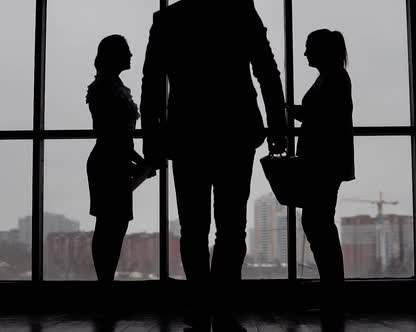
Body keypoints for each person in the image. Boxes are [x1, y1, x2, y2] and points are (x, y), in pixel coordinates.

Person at [140, 0, 287, 327]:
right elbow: (266, 69)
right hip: (235, 130)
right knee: (231, 226)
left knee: (193, 228)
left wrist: (152, 139)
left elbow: (152, 81)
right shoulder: (240, 11)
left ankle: (200, 302)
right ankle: (223, 304)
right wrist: (277, 122)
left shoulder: (169, 19)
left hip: (187, 133)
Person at [286, 29, 355, 312]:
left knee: (318, 224)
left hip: (323, 163)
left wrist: (293, 111)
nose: (304, 53)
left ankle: (333, 293)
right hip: (325, 162)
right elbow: (327, 115)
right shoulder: (333, 76)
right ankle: (332, 291)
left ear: (322, 49)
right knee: (320, 223)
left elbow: (324, 117)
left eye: (308, 48)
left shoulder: (334, 77)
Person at [86, 34, 154, 283]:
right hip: (110, 162)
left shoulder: (105, 86)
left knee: (110, 226)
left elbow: (114, 136)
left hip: (111, 160)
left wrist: (137, 161)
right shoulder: (107, 88)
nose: (131, 55)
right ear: (114, 55)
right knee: (111, 227)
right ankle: (105, 285)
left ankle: (105, 285)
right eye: (126, 50)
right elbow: (113, 135)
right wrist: (139, 161)